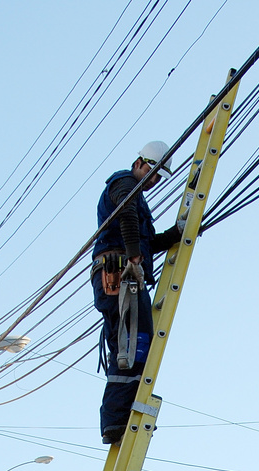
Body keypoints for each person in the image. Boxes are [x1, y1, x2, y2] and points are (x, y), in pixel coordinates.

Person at [91, 141, 182, 444]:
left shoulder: (137, 198)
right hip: (119, 272)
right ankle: (116, 419)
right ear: (141, 162)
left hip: (125, 272)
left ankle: (121, 415)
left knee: (134, 344)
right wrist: (133, 259)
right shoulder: (125, 183)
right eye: (154, 173)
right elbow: (127, 215)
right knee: (132, 346)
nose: (155, 181)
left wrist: (176, 235)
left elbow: (145, 241)